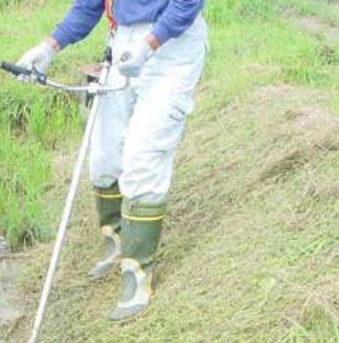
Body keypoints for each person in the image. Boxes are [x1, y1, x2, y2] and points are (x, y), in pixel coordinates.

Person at [16, 0, 207, 321]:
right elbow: (89, 4)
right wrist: (49, 46)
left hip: (172, 45)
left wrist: (150, 44)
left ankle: (137, 271)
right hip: (122, 42)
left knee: (143, 154)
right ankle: (115, 241)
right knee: (104, 156)